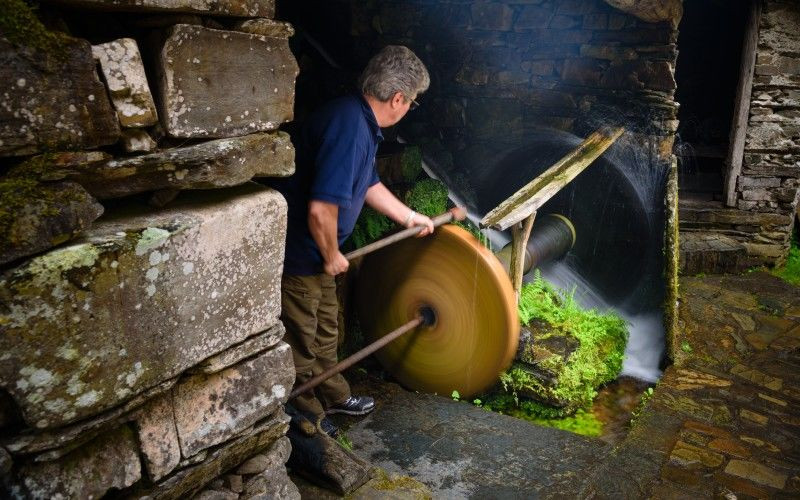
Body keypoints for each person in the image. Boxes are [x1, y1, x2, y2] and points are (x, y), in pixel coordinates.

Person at [270, 45, 434, 438]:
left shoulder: (359, 121)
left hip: (321, 255)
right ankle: (306, 418)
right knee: (301, 337)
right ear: (398, 98)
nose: (409, 108)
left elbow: (369, 183)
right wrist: (330, 255)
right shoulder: (350, 130)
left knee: (328, 328)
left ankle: (333, 394)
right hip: (303, 257)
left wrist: (409, 217)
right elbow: (320, 211)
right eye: (411, 102)